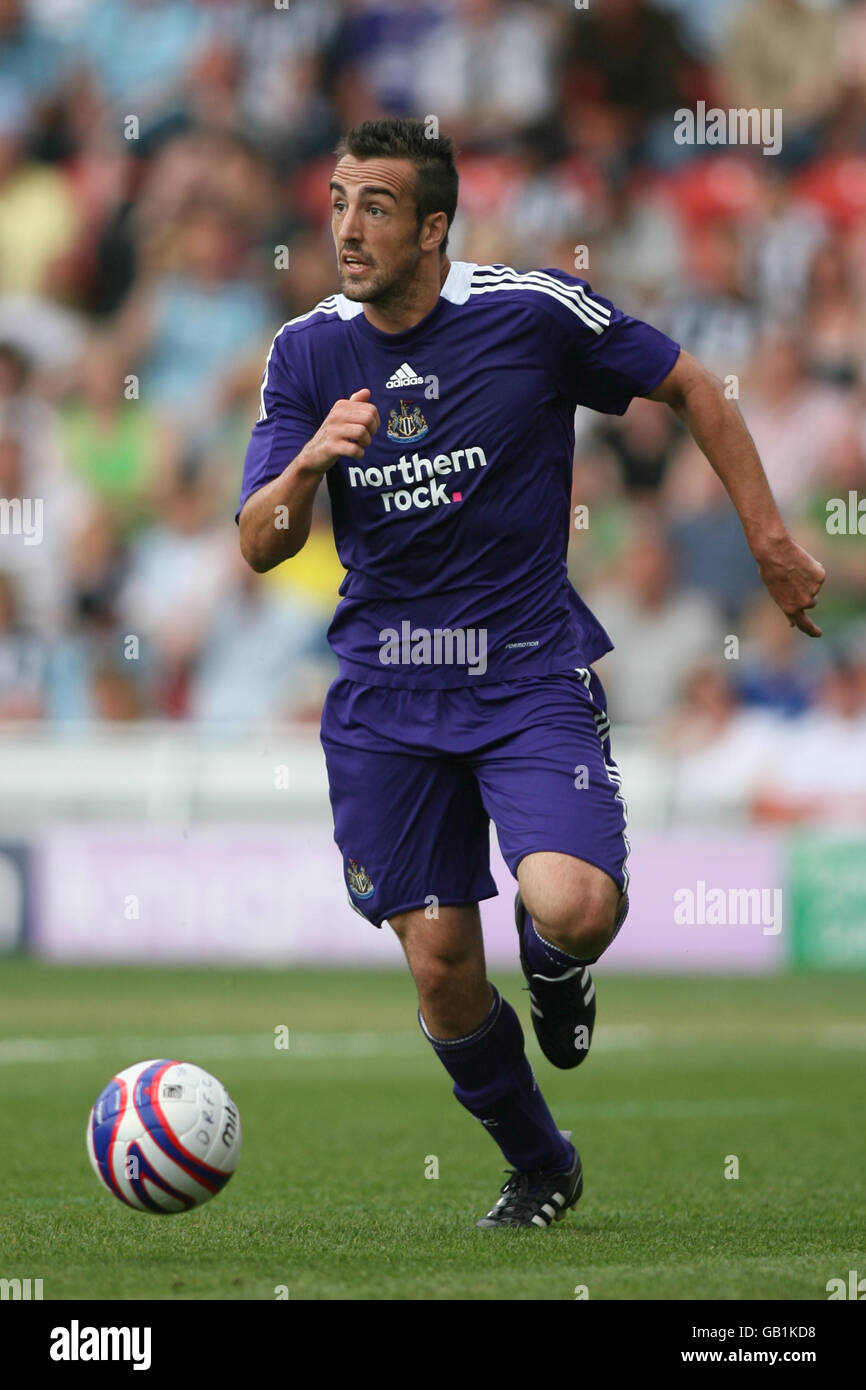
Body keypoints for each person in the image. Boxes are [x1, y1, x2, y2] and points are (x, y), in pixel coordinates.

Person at [237, 118, 825, 1228]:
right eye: (335, 201)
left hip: (523, 671)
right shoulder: (305, 353)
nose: (346, 229)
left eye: (374, 206)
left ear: (431, 228)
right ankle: (541, 1163)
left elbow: (695, 386)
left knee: (572, 904)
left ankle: (556, 971)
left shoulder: (531, 311)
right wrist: (309, 463)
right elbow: (258, 541)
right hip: (384, 692)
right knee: (443, 968)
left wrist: (767, 539)